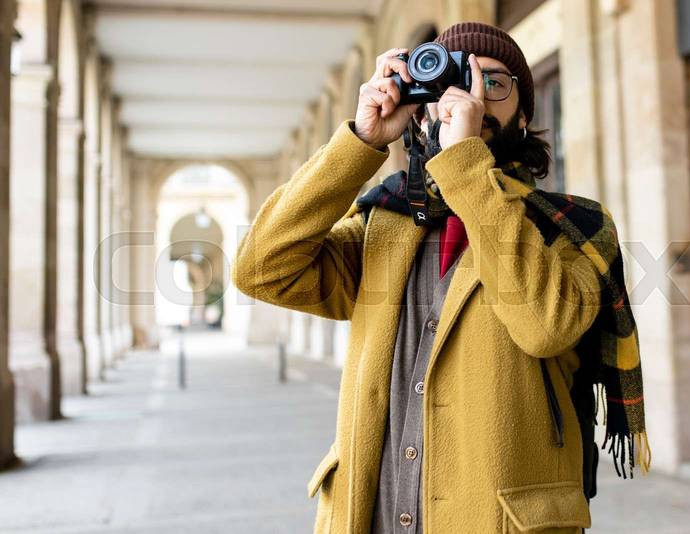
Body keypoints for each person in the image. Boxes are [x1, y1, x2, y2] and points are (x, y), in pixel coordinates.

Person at [233, 21, 649, 534]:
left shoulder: (574, 226)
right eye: (449, 79)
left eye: (493, 83)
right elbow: (260, 269)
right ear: (421, 103)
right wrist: (360, 142)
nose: (468, 95)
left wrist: (465, 167)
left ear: (523, 115)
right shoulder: (381, 222)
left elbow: (546, 325)